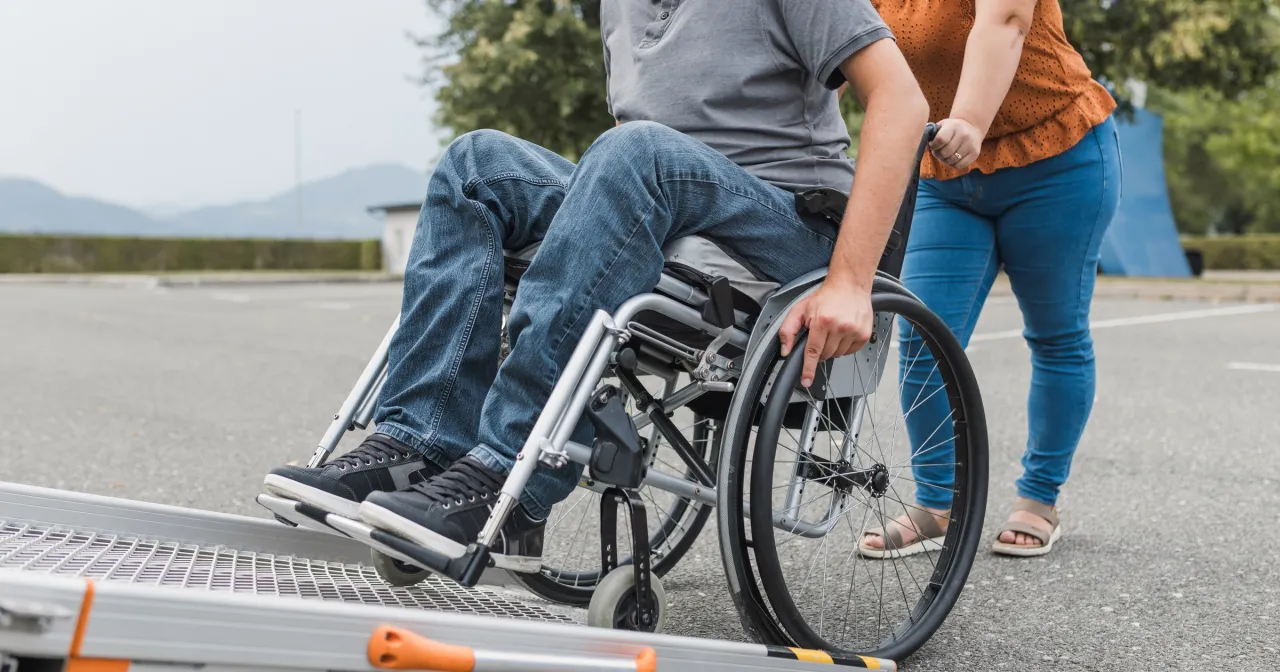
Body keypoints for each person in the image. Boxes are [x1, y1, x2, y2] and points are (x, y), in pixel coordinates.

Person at [263, 0, 929, 569]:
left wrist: (850, 281)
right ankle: (419, 445)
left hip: (784, 226)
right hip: (663, 195)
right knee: (477, 164)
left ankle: (509, 472)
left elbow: (902, 102)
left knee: (637, 150)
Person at [857, 0, 1121, 558]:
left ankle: (1039, 499)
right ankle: (936, 504)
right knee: (925, 339)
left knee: (1055, 335)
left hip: (1057, 154)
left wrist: (972, 122)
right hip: (945, 171)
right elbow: (830, 49)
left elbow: (1004, 22)